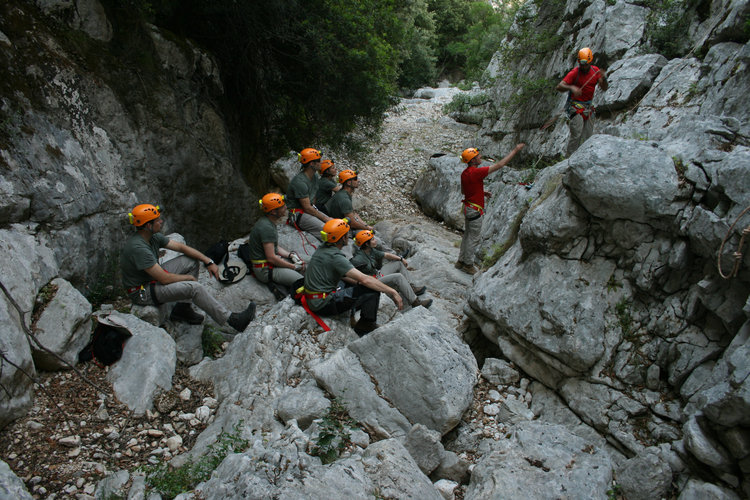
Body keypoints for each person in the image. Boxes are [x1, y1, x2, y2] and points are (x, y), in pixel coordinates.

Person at [120, 204, 256, 332]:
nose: (161, 221)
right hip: (143, 291)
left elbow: (181, 247)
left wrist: (208, 261)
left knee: (191, 261)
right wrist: (187, 278)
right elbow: (164, 278)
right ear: (148, 225)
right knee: (195, 288)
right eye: (157, 220)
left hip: (151, 279)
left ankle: (182, 308)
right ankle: (232, 320)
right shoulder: (139, 248)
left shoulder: (152, 237)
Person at [300, 218, 403, 335]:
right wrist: (392, 291)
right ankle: (366, 324)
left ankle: (356, 317)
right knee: (371, 291)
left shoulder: (324, 248)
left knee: (356, 286)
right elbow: (365, 279)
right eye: (346, 234)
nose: (349, 236)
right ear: (343, 238)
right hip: (323, 304)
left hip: (314, 298)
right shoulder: (335, 257)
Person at [456, 144, 525, 275]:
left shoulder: (465, 173)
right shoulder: (477, 172)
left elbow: (464, 191)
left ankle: (460, 261)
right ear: (472, 160)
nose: (480, 157)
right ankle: (468, 264)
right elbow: (499, 165)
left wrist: (481, 192)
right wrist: (515, 150)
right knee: (474, 237)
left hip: (467, 207)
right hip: (474, 210)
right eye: (477, 156)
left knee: (467, 235)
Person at [351, 230, 432, 309]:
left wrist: (400, 259)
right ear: (366, 244)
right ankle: (415, 302)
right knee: (398, 277)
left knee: (398, 263)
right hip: (373, 282)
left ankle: (411, 288)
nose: (375, 240)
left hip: (378, 275)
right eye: (372, 239)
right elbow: (350, 275)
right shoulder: (358, 259)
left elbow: (386, 255)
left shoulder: (370, 251)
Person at [555, 47, 608, 156]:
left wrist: (604, 78)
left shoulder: (595, 71)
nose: (583, 67)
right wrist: (571, 87)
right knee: (577, 134)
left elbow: (604, 88)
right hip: (575, 107)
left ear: (590, 62)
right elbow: (559, 86)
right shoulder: (575, 72)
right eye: (581, 64)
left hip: (588, 108)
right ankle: (569, 160)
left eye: (586, 64)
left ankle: (584, 158)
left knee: (588, 137)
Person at [246, 193, 305, 290]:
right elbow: (271, 258)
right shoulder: (266, 228)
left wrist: (290, 255)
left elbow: (274, 247)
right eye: (282, 207)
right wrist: (292, 267)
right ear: (273, 212)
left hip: (269, 264)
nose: (285, 207)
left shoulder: (267, 222)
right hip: (265, 270)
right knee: (301, 282)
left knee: (307, 261)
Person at [286, 148, 331, 239]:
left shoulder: (314, 176)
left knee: (335, 225)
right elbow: (307, 207)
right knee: (328, 231)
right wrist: (325, 218)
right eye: (318, 161)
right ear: (311, 164)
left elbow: (312, 200)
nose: (321, 163)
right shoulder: (300, 182)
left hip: (308, 210)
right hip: (297, 214)